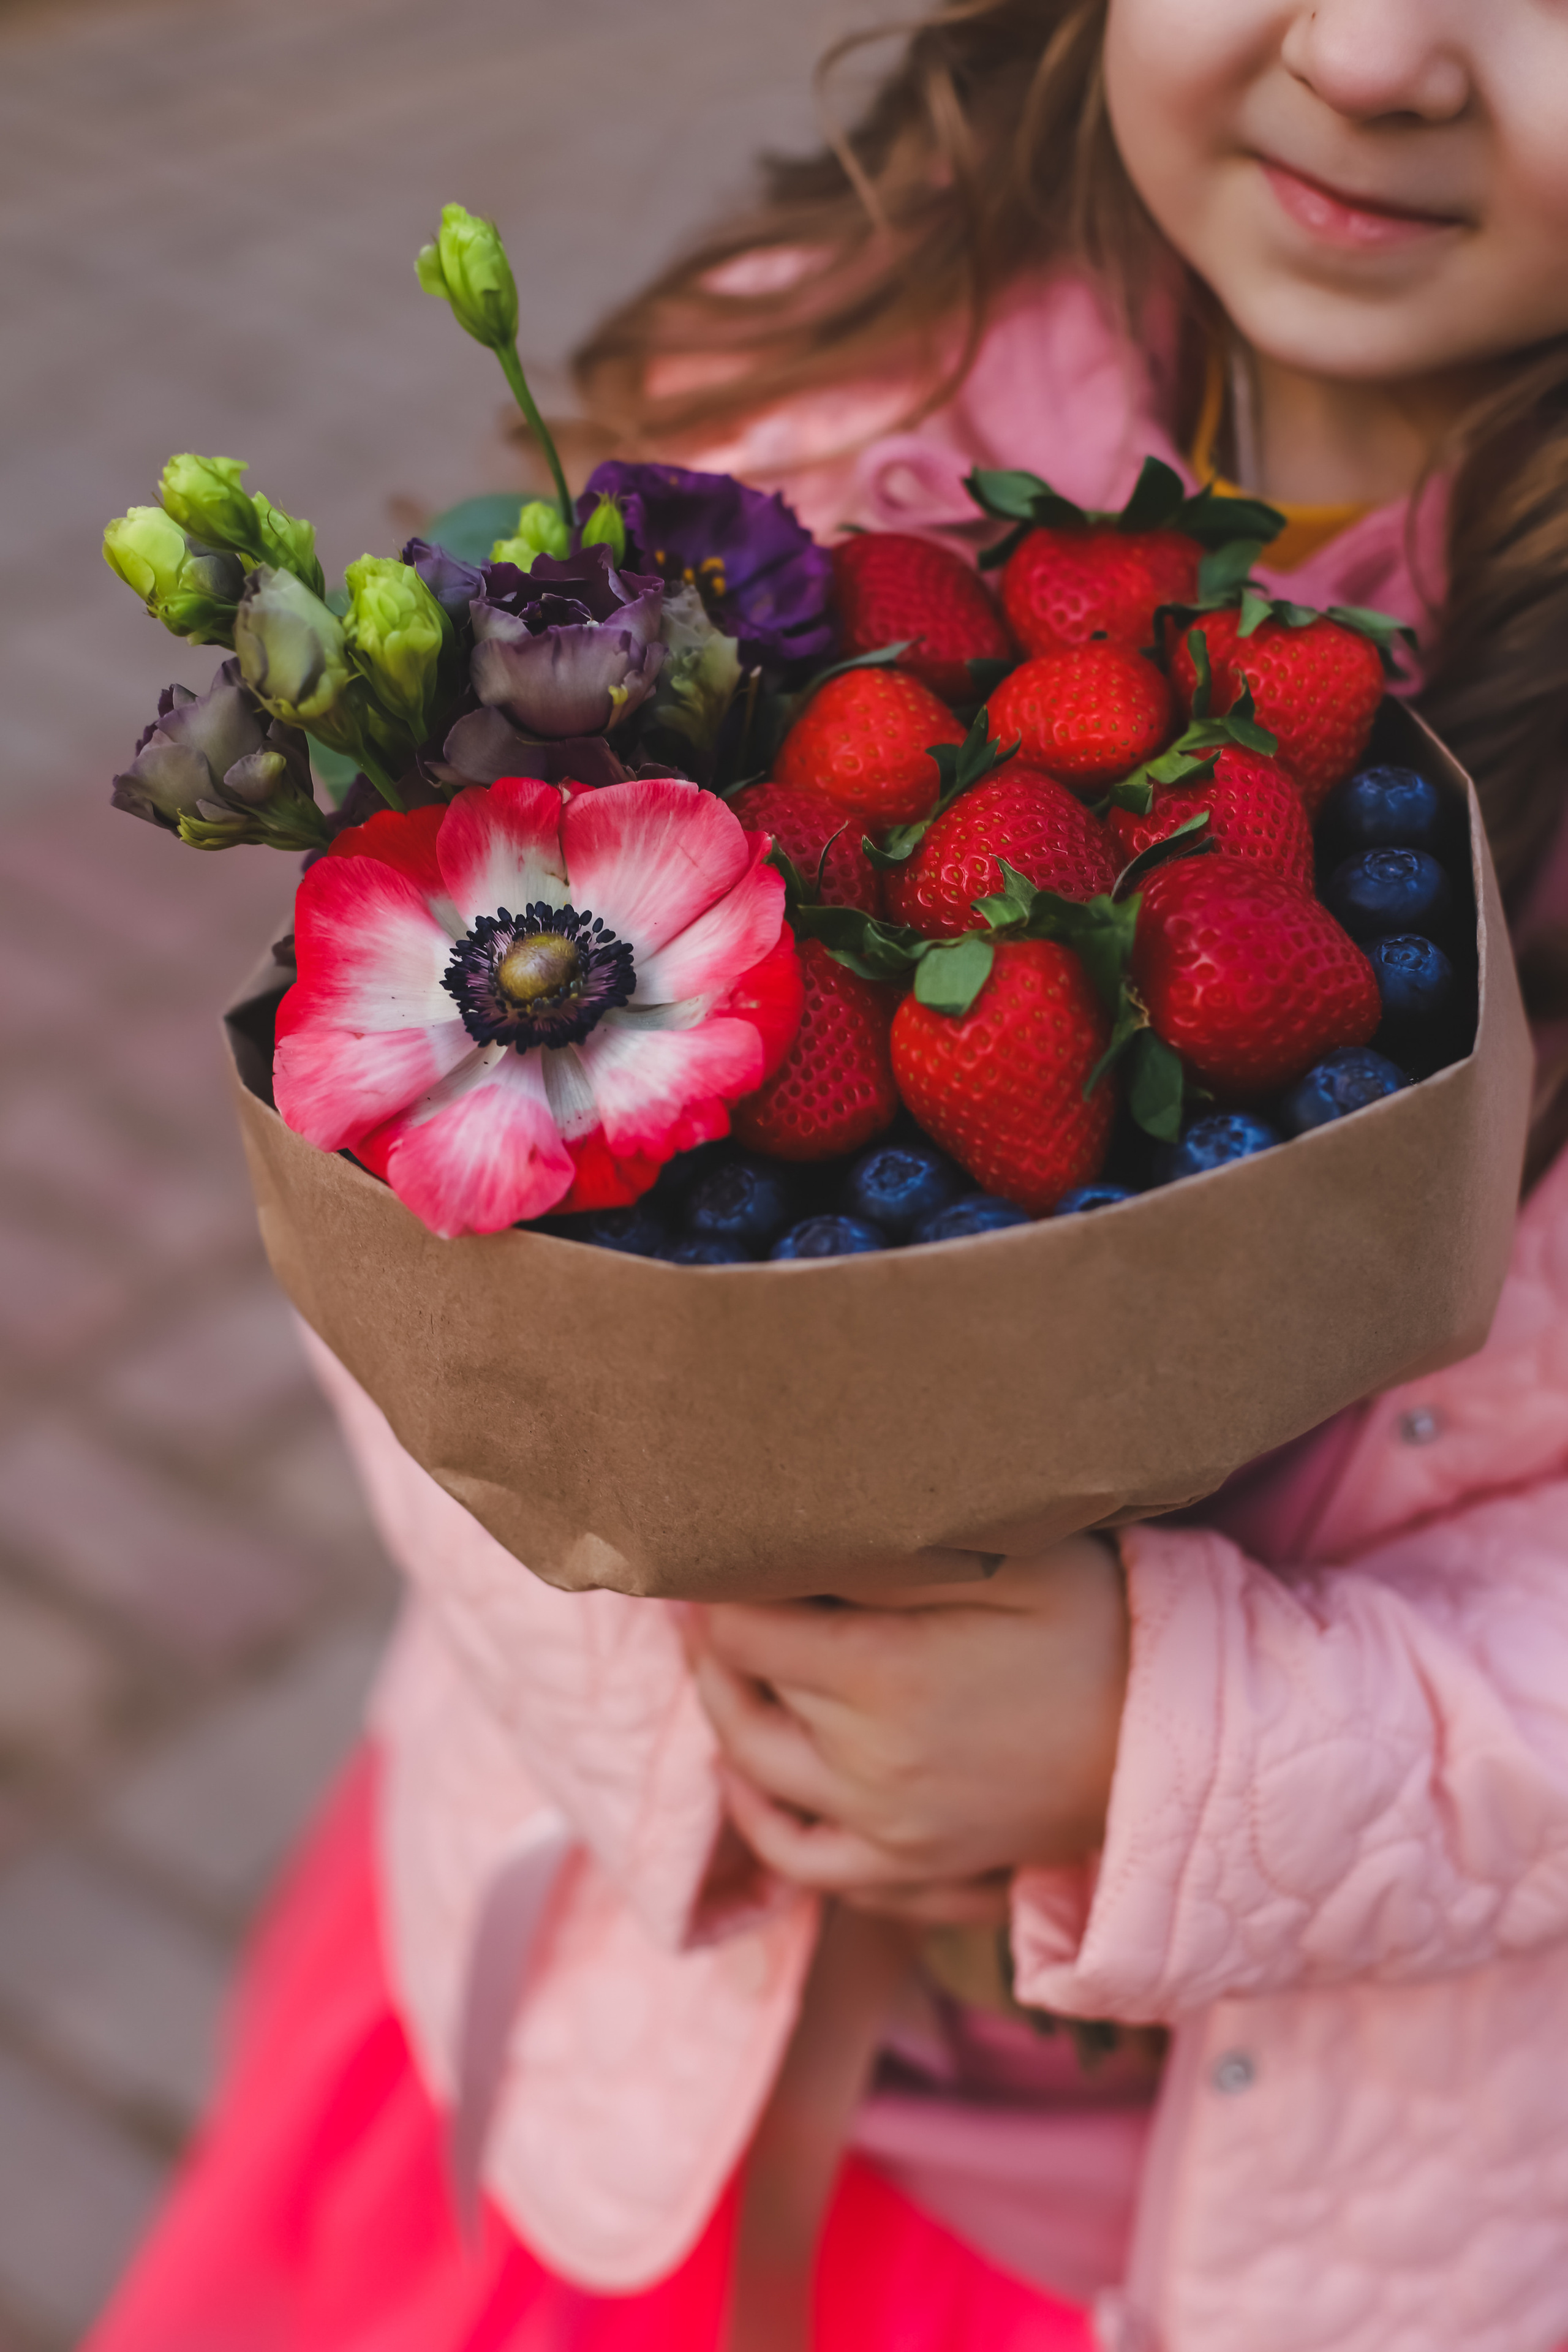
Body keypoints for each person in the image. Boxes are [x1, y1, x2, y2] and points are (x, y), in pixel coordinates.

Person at [88, 4, 1568, 2348]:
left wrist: (1166, 1747)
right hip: (631, 2032)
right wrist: (721, 1677)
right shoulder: (769, 467)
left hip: (1247, 2227)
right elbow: (422, 1277)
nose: (1381, 53)